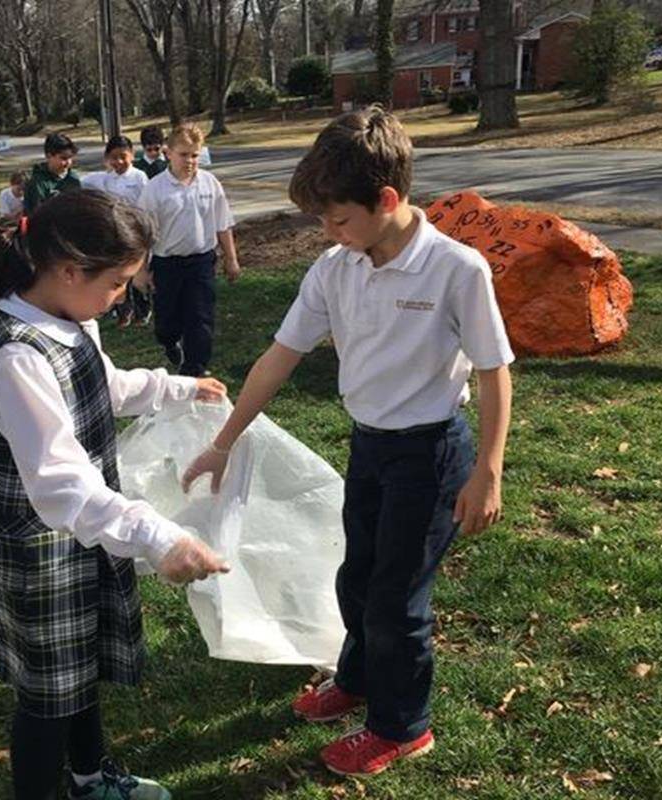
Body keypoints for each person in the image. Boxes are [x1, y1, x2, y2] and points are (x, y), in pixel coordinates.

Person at [182, 108, 514, 777]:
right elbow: (279, 356)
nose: (327, 234)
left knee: (397, 595)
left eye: (337, 219)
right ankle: (359, 679)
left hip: (430, 455)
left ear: (386, 200)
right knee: (357, 576)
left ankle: (401, 725)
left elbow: (492, 370)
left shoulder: (456, 269)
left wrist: (489, 471)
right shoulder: (337, 268)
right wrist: (224, 439)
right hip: (369, 448)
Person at [0, 189, 230, 800]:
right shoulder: (18, 359)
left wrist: (177, 389)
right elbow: (60, 485)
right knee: (48, 694)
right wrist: (159, 537)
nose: (123, 296)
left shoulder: (70, 320)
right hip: (34, 546)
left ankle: (88, 778)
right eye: (118, 283)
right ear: (70, 270)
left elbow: (104, 386)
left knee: (77, 668)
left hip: (74, 531)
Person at [137, 123, 241, 377]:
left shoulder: (209, 184)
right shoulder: (154, 189)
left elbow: (223, 223)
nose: (190, 160)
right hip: (166, 264)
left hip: (201, 263)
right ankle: (170, 342)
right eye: (184, 154)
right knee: (168, 321)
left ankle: (195, 367)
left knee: (200, 316)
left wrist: (231, 258)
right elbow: (143, 235)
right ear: (168, 152)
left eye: (195, 154)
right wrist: (140, 271)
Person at [81, 135, 151, 327]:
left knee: (135, 272)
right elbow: (81, 181)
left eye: (123, 156)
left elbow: (146, 206)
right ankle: (122, 310)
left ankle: (142, 310)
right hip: (114, 232)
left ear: (132, 155)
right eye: (113, 157)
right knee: (117, 273)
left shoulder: (139, 177)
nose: (119, 162)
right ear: (107, 158)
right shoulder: (106, 178)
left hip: (135, 231)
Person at [23, 132, 81, 214]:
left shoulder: (73, 178)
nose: (68, 162)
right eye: (63, 158)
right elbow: (35, 215)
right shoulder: (38, 183)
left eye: (70, 157)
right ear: (49, 156)